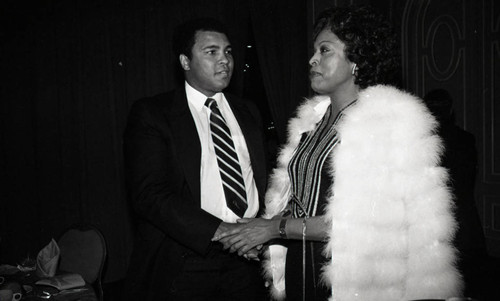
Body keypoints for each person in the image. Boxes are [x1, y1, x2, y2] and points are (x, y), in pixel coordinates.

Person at [213, 5, 464, 300]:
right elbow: (303, 199)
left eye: (325, 50)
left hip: (349, 275)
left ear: (356, 59)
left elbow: (361, 223)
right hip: (300, 265)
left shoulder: (384, 124)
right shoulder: (313, 122)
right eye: (314, 50)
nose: (312, 59)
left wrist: (273, 229)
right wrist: (255, 230)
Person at [123, 17, 267, 300]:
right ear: (185, 61)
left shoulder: (248, 111)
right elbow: (149, 194)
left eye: (228, 51)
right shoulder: (154, 114)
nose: (224, 60)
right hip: (188, 259)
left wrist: (263, 231)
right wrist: (221, 232)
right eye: (211, 52)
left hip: (247, 260)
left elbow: (260, 178)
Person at [423, 89, 488, 299]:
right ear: (450, 110)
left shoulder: (422, 144)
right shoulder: (467, 139)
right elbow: (468, 180)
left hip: (434, 222)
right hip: (465, 218)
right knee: (468, 281)